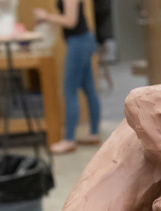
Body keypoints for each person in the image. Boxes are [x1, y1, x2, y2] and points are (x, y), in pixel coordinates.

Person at [34, 0, 101, 155]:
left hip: (79, 43)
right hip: (82, 41)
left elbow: (70, 21)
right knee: (89, 88)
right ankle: (94, 134)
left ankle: (68, 140)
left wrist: (46, 16)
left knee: (69, 90)